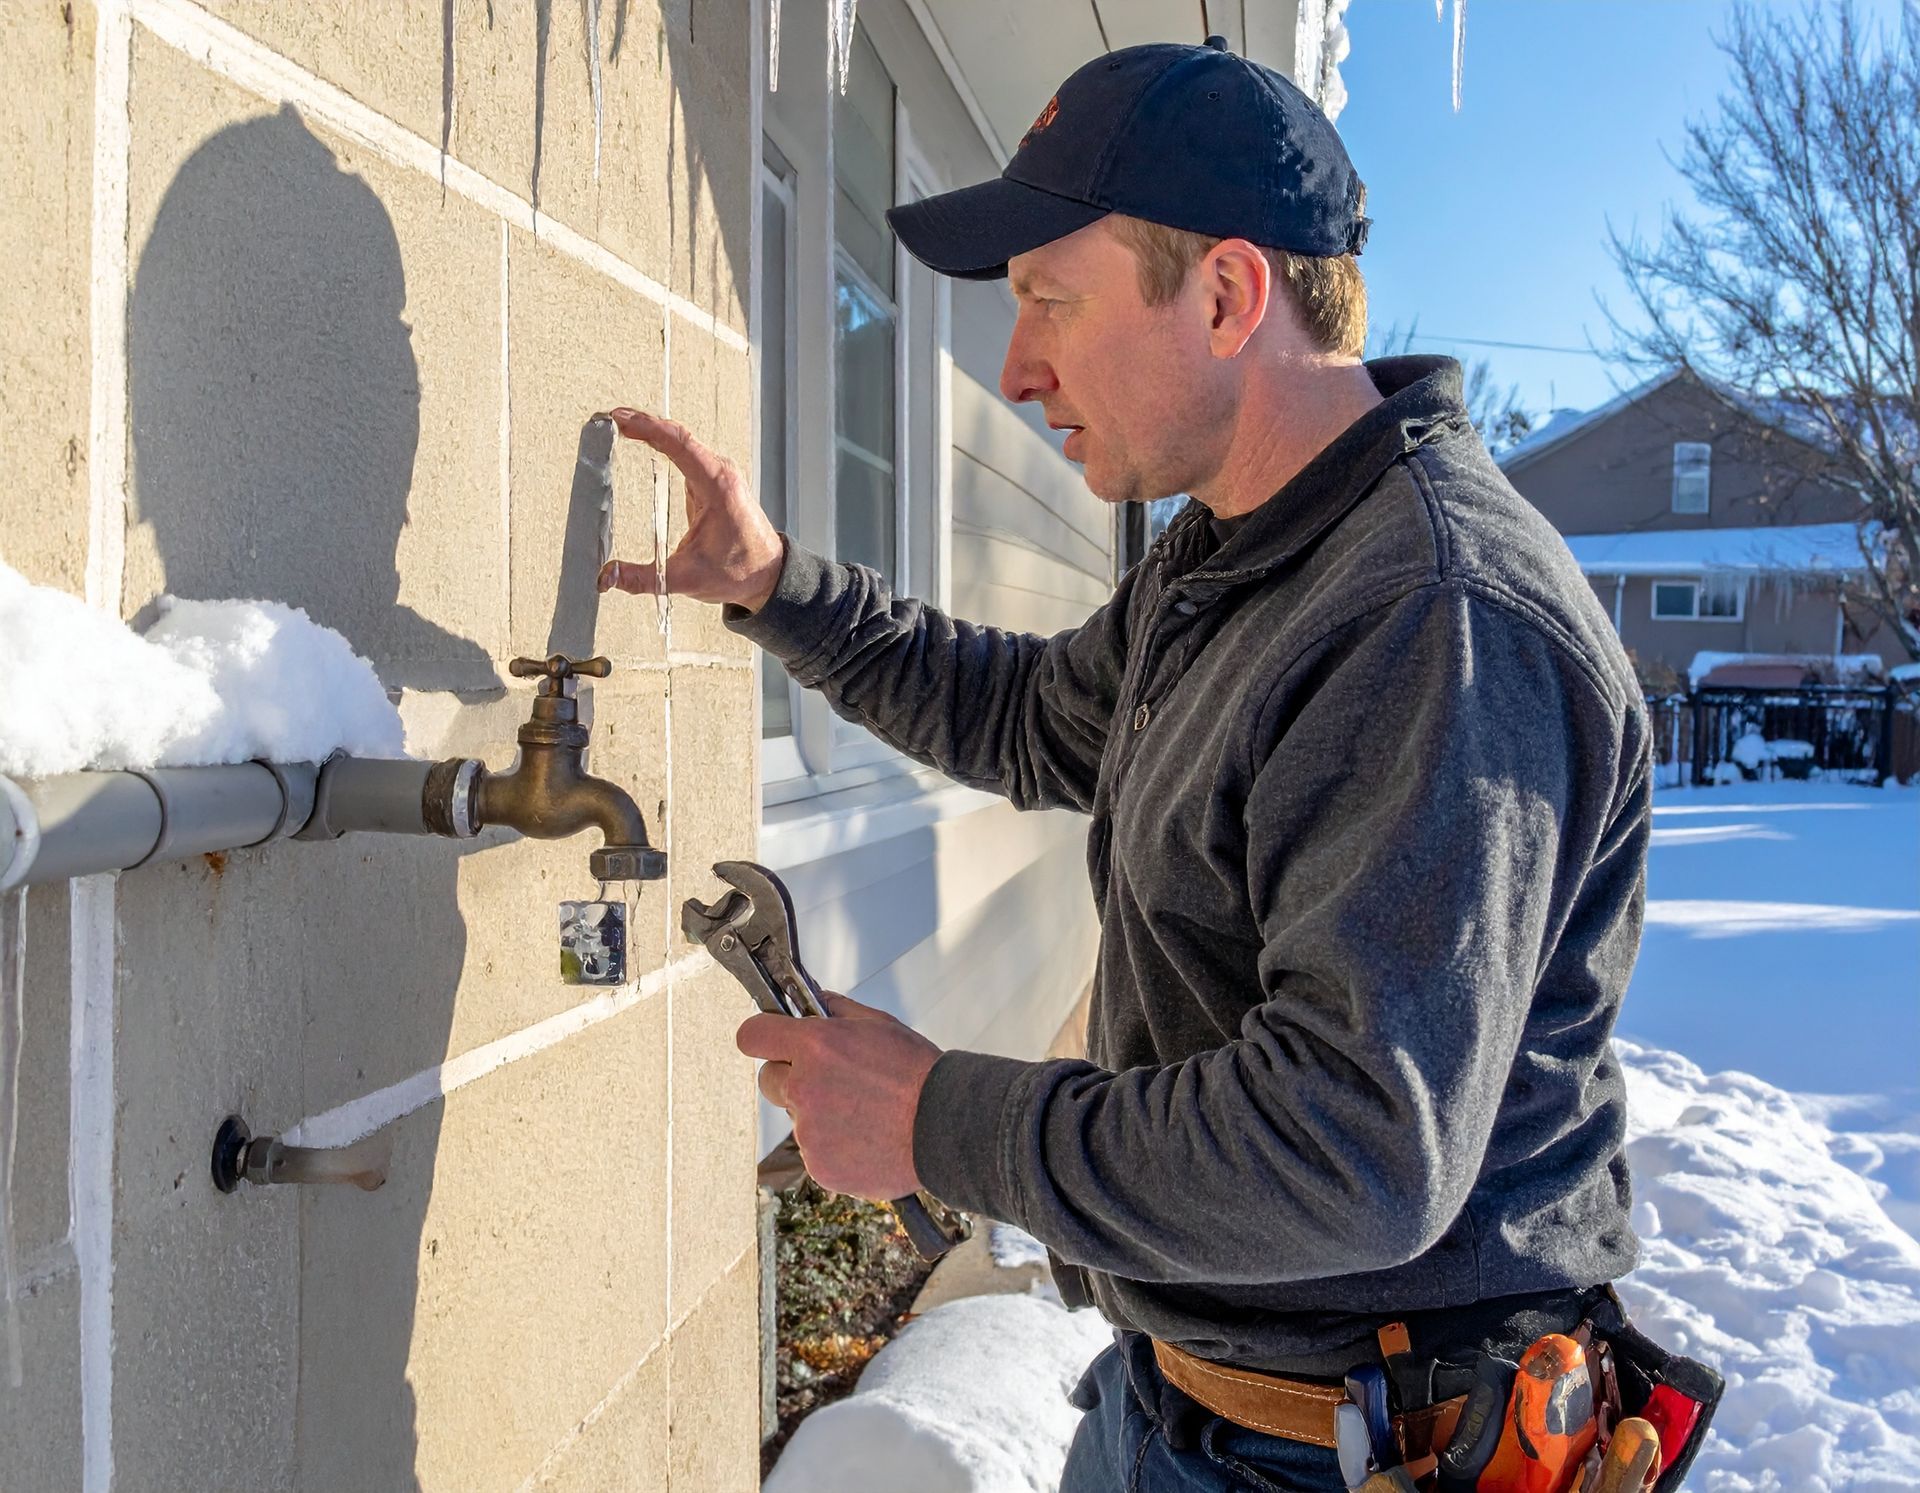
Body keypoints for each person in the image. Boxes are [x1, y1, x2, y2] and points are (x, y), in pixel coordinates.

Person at [601, 38, 1649, 1492]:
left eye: (1048, 300)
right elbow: (1032, 716)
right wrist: (776, 583)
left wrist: (935, 1119)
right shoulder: (1229, 559)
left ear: (1226, 294)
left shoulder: (1432, 615)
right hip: (1187, 1397)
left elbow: (1352, 1146)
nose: (1019, 365)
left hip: (1366, 1453)